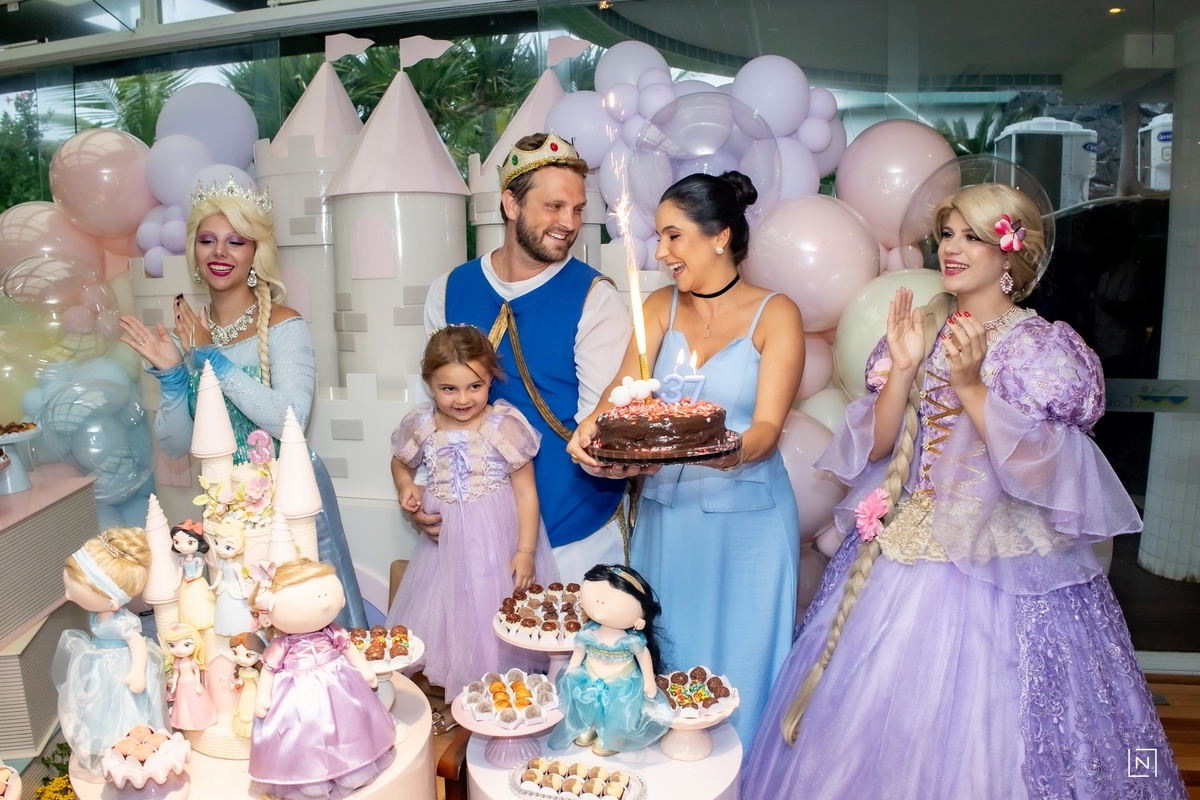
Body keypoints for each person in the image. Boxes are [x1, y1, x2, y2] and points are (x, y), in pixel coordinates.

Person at [741, 183, 1186, 798]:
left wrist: (972, 386)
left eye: (972, 237)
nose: (952, 249)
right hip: (911, 544)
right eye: (947, 234)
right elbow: (878, 447)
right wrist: (903, 369)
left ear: (1010, 254)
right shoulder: (924, 326)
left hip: (1007, 555)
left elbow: (1042, 474)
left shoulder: (1042, 350)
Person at [568, 171, 805, 748]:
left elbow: (767, 429)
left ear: (720, 236)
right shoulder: (657, 307)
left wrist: (723, 452)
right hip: (668, 521)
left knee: (741, 664)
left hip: (748, 525)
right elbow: (621, 394)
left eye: (673, 236)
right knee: (667, 657)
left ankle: (742, 777)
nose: (661, 252)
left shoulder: (777, 314)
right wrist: (589, 432)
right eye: (659, 237)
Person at [118, 182, 366, 630]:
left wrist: (213, 359)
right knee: (239, 628)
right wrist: (174, 376)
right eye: (208, 240)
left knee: (304, 619)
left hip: (290, 496)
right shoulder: (192, 334)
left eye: (236, 241)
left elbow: (291, 419)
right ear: (194, 252)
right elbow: (175, 446)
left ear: (256, 254)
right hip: (224, 506)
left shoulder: (284, 325)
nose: (220, 252)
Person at [421, 132, 631, 582]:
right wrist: (424, 494)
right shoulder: (448, 290)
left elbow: (604, 426)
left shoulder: (595, 299)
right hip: (472, 536)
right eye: (554, 206)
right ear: (511, 204)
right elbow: (436, 411)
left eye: (578, 209)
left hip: (574, 533)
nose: (569, 223)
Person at [386, 325, 558, 692]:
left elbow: (526, 492)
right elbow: (400, 463)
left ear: (490, 379)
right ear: (429, 384)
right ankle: (462, 691)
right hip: (443, 545)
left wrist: (525, 551)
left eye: (475, 386)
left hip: (495, 540)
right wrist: (405, 486)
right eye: (449, 389)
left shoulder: (503, 425)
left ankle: (495, 688)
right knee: (449, 609)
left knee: (489, 607)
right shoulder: (423, 426)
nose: (463, 399)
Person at [250, 559, 396, 800]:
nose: (325, 602)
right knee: (305, 735)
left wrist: (366, 671)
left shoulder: (332, 631)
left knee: (348, 726)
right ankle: (311, 779)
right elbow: (269, 670)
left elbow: (350, 650)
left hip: (339, 686)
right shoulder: (281, 645)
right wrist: (263, 698)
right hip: (298, 695)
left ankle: (353, 769)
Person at [53, 527, 168, 776]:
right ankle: (106, 747)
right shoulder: (99, 614)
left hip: (120, 671)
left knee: (121, 710)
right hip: (101, 667)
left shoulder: (122, 622)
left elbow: (137, 643)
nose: (68, 595)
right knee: (99, 709)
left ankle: (128, 750)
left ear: (113, 602)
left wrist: (137, 672)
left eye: (73, 590)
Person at [548, 564, 673, 756]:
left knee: (617, 710)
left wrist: (649, 680)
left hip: (621, 682)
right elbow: (579, 653)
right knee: (587, 702)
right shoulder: (588, 633)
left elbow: (643, 657)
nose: (600, 602)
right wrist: (572, 670)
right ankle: (588, 725)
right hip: (590, 675)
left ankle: (613, 735)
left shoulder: (631, 639)